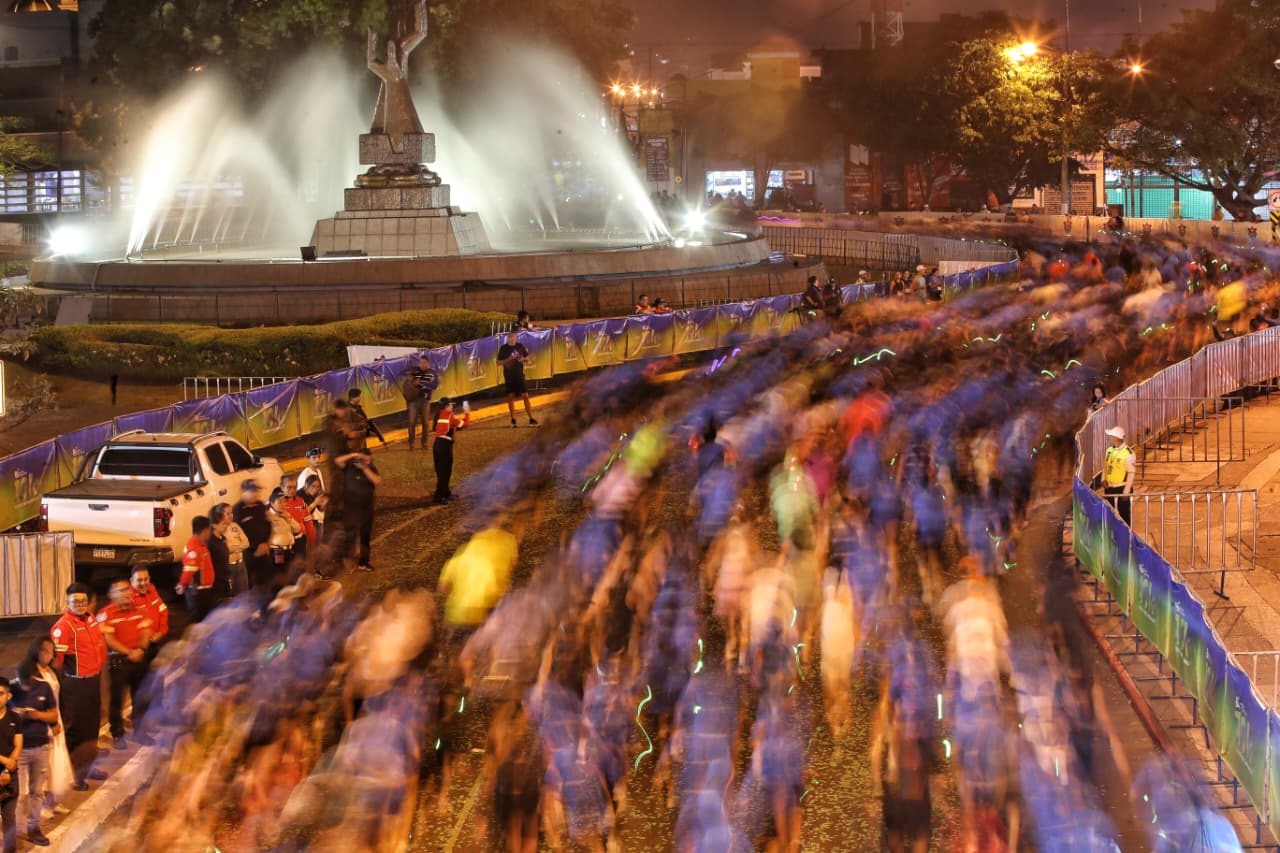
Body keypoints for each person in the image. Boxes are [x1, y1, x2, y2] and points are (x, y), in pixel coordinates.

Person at [49, 583, 107, 791]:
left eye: (83, 601)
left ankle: (90, 767)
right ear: (68, 603)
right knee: (76, 730)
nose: (80, 605)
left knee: (92, 727)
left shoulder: (91, 618)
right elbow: (57, 662)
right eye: (76, 602)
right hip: (75, 685)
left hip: (92, 681)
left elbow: (99, 644)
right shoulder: (62, 628)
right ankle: (76, 774)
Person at [97, 578, 152, 750]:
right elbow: (109, 639)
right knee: (116, 699)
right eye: (120, 590)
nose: (126, 593)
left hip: (139, 657)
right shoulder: (106, 613)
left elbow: (146, 631)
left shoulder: (140, 609)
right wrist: (129, 652)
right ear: (111, 595)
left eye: (127, 589)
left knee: (141, 696)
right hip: (119, 661)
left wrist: (141, 650)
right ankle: (118, 732)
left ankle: (141, 730)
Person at [9, 655, 54, 848]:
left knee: (37, 791)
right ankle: (19, 830)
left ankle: (34, 827)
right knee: (18, 793)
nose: (24, 687)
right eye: (21, 682)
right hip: (19, 751)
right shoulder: (10, 689)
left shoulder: (44, 687)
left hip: (41, 747)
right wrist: (16, 713)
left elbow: (53, 714)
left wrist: (36, 715)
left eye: (27, 682)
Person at [338, 447, 381, 573]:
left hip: (367, 510)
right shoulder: (349, 467)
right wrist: (353, 454)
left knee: (365, 538)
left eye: (368, 460)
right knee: (350, 536)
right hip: (351, 510)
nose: (365, 462)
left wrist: (365, 468)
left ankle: (364, 562)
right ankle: (348, 560)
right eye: (363, 459)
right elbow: (338, 461)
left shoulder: (371, 469)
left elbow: (377, 480)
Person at [232, 480, 273, 589]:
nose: (256, 494)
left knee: (267, 584)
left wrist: (265, 543)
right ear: (243, 491)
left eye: (257, 491)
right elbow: (237, 536)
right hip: (248, 554)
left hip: (264, 550)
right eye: (252, 491)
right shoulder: (237, 510)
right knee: (250, 585)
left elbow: (268, 524)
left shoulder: (260, 505)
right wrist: (254, 550)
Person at [176, 516, 217, 622]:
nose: (210, 532)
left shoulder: (200, 545)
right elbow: (189, 571)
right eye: (209, 529)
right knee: (199, 623)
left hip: (203, 592)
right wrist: (182, 584)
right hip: (198, 593)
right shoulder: (194, 548)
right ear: (205, 530)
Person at [432, 397, 470, 504]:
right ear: (447, 406)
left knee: (443, 471)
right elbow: (464, 424)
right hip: (444, 446)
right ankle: (439, 496)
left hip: (439, 445)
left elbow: (451, 426)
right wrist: (467, 413)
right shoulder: (449, 415)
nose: (452, 406)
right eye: (451, 405)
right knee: (444, 472)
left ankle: (445, 493)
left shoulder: (439, 415)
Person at [498, 331, 538, 428]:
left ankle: (531, 418)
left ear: (516, 338)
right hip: (509, 376)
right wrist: (509, 359)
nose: (511, 339)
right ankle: (513, 419)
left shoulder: (520, 346)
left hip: (519, 375)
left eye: (513, 337)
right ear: (507, 338)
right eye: (510, 337)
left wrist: (526, 358)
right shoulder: (503, 348)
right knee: (510, 397)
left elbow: (526, 358)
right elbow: (498, 362)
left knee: (525, 396)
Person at [0, 681, 20, 853]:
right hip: (7, 768)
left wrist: (8, 768)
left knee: (9, 817)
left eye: (1, 693)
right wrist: (6, 762)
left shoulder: (14, 718)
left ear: (8, 696)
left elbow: (18, 745)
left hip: (11, 775)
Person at [1101, 426, 1136, 525]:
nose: (1109, 438)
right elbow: (1105, 465)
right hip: (1109, 487)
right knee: (1109, 514)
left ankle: (1126, 537)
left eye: (1111, 436)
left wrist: (1126, 491)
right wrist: (1103, 478)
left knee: (1124, 516)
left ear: (1117, 438)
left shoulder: (1128, 453)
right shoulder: (1109, 450)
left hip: (1122, 488)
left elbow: (1131, 473)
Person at [404, 356, 440, 450]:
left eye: (424, 362)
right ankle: (411, 443)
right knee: (411, 422)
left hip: (425, 401)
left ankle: (425, 443)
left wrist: (424, 384)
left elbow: (435, 385)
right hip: (413, 401)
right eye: (421, 362)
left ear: (428, 363)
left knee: (425, 423)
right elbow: (407, 381)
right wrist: (412, 381)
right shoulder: (415, 372)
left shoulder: (432, 373)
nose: (422, 364)